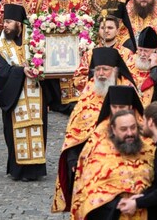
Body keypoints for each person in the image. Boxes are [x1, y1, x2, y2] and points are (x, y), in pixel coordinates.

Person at [51, 66, 138, 213]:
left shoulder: (135, 117)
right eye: (98, 69)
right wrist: (73, 160)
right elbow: (76, 133)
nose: (101, 74)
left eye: (105, 69)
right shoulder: (88, 96)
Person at [0, 4, 47, 181]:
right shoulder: (1, 44)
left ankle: (35, 170)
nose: (5, 25)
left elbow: (45, 61)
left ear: (19, 23)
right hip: (14, 94)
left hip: (35, 95)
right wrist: (19, 71)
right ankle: (18, 169)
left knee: (36, 128)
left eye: (8, 22)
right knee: (14, 133)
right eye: (4, 22)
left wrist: (35, 68)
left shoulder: (34, 39)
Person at [70, 108, 154, 219]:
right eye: (124, 129)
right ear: (113, 129)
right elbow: (89, 193)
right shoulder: (99, 155)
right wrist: (117, 203)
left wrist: (140, 201)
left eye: (133, 128)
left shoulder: (150, 151)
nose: (130, 133)